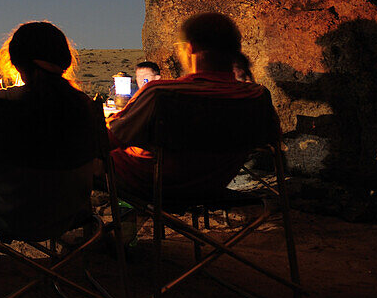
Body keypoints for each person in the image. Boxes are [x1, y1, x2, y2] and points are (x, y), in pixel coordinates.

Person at [0, 21, 106, 239]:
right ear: (64, 61)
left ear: (17, 63)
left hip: (3, 217)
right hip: (69, 215)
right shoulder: (87, 106)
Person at [108, 12, 279, 199]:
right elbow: (272, 139)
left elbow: (106, 140)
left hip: (150, 186)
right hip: (212, 186)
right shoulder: (256, 96)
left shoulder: (162, 94)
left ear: (190, 48)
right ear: (235, 50)